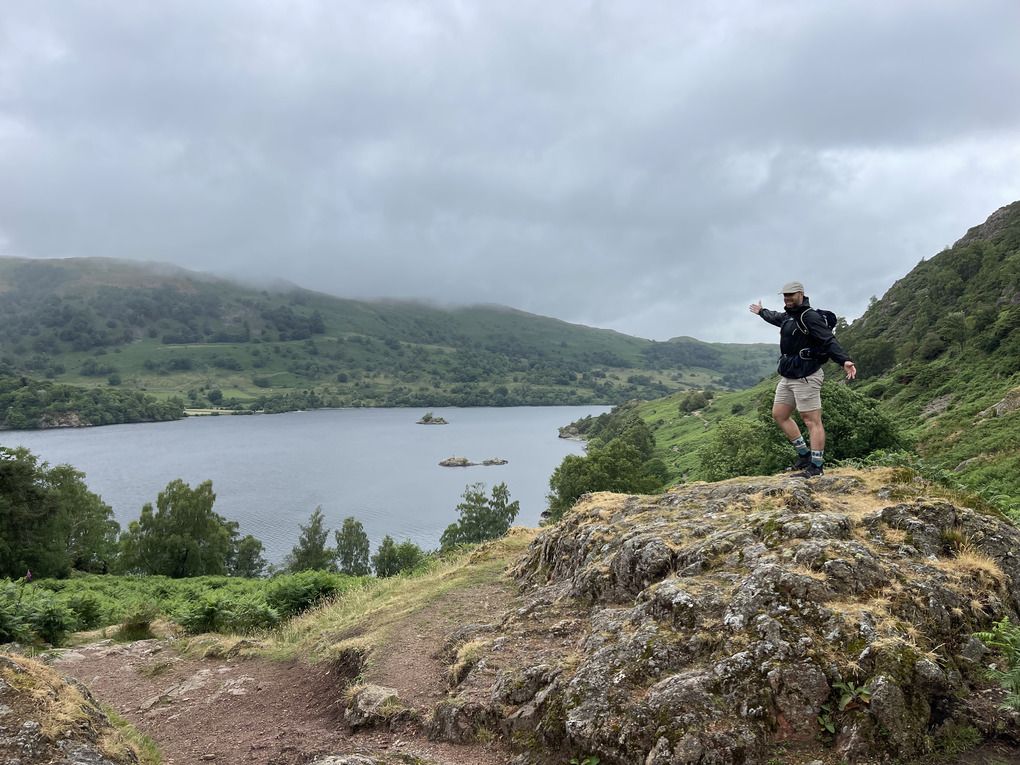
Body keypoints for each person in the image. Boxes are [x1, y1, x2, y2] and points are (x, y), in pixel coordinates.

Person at [749, 280, 857, 477]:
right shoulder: (789, 317)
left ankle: (816, 467)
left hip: (807, 376)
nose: (787, 299)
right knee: (779, 415)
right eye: (785, 296)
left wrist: (845, 361)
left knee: (811, 421)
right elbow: (776, 317)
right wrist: (761, 312)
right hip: (789, 376)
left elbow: (828, 339)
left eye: (790, 295)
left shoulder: (810, 316)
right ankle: (804, 456)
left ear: (800, 294)